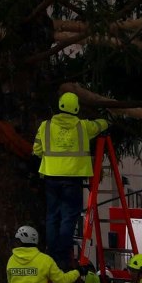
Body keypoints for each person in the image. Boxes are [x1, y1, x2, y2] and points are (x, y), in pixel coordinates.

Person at [34, 93, 107, 266]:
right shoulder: (83, 126)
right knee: (69, 216)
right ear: (76, 108)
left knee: (52, 216)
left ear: (59, 105)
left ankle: (52, 252)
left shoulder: (46, 126)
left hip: (51, 176)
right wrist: (108, 119)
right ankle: (62, 253)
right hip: (73, 177)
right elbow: (100, 125)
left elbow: (36, 150)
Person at [7, 225, 82, 283]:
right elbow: (62, 280)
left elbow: (10, 281)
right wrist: (78, 271)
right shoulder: (45, 260)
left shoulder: (12, 260)